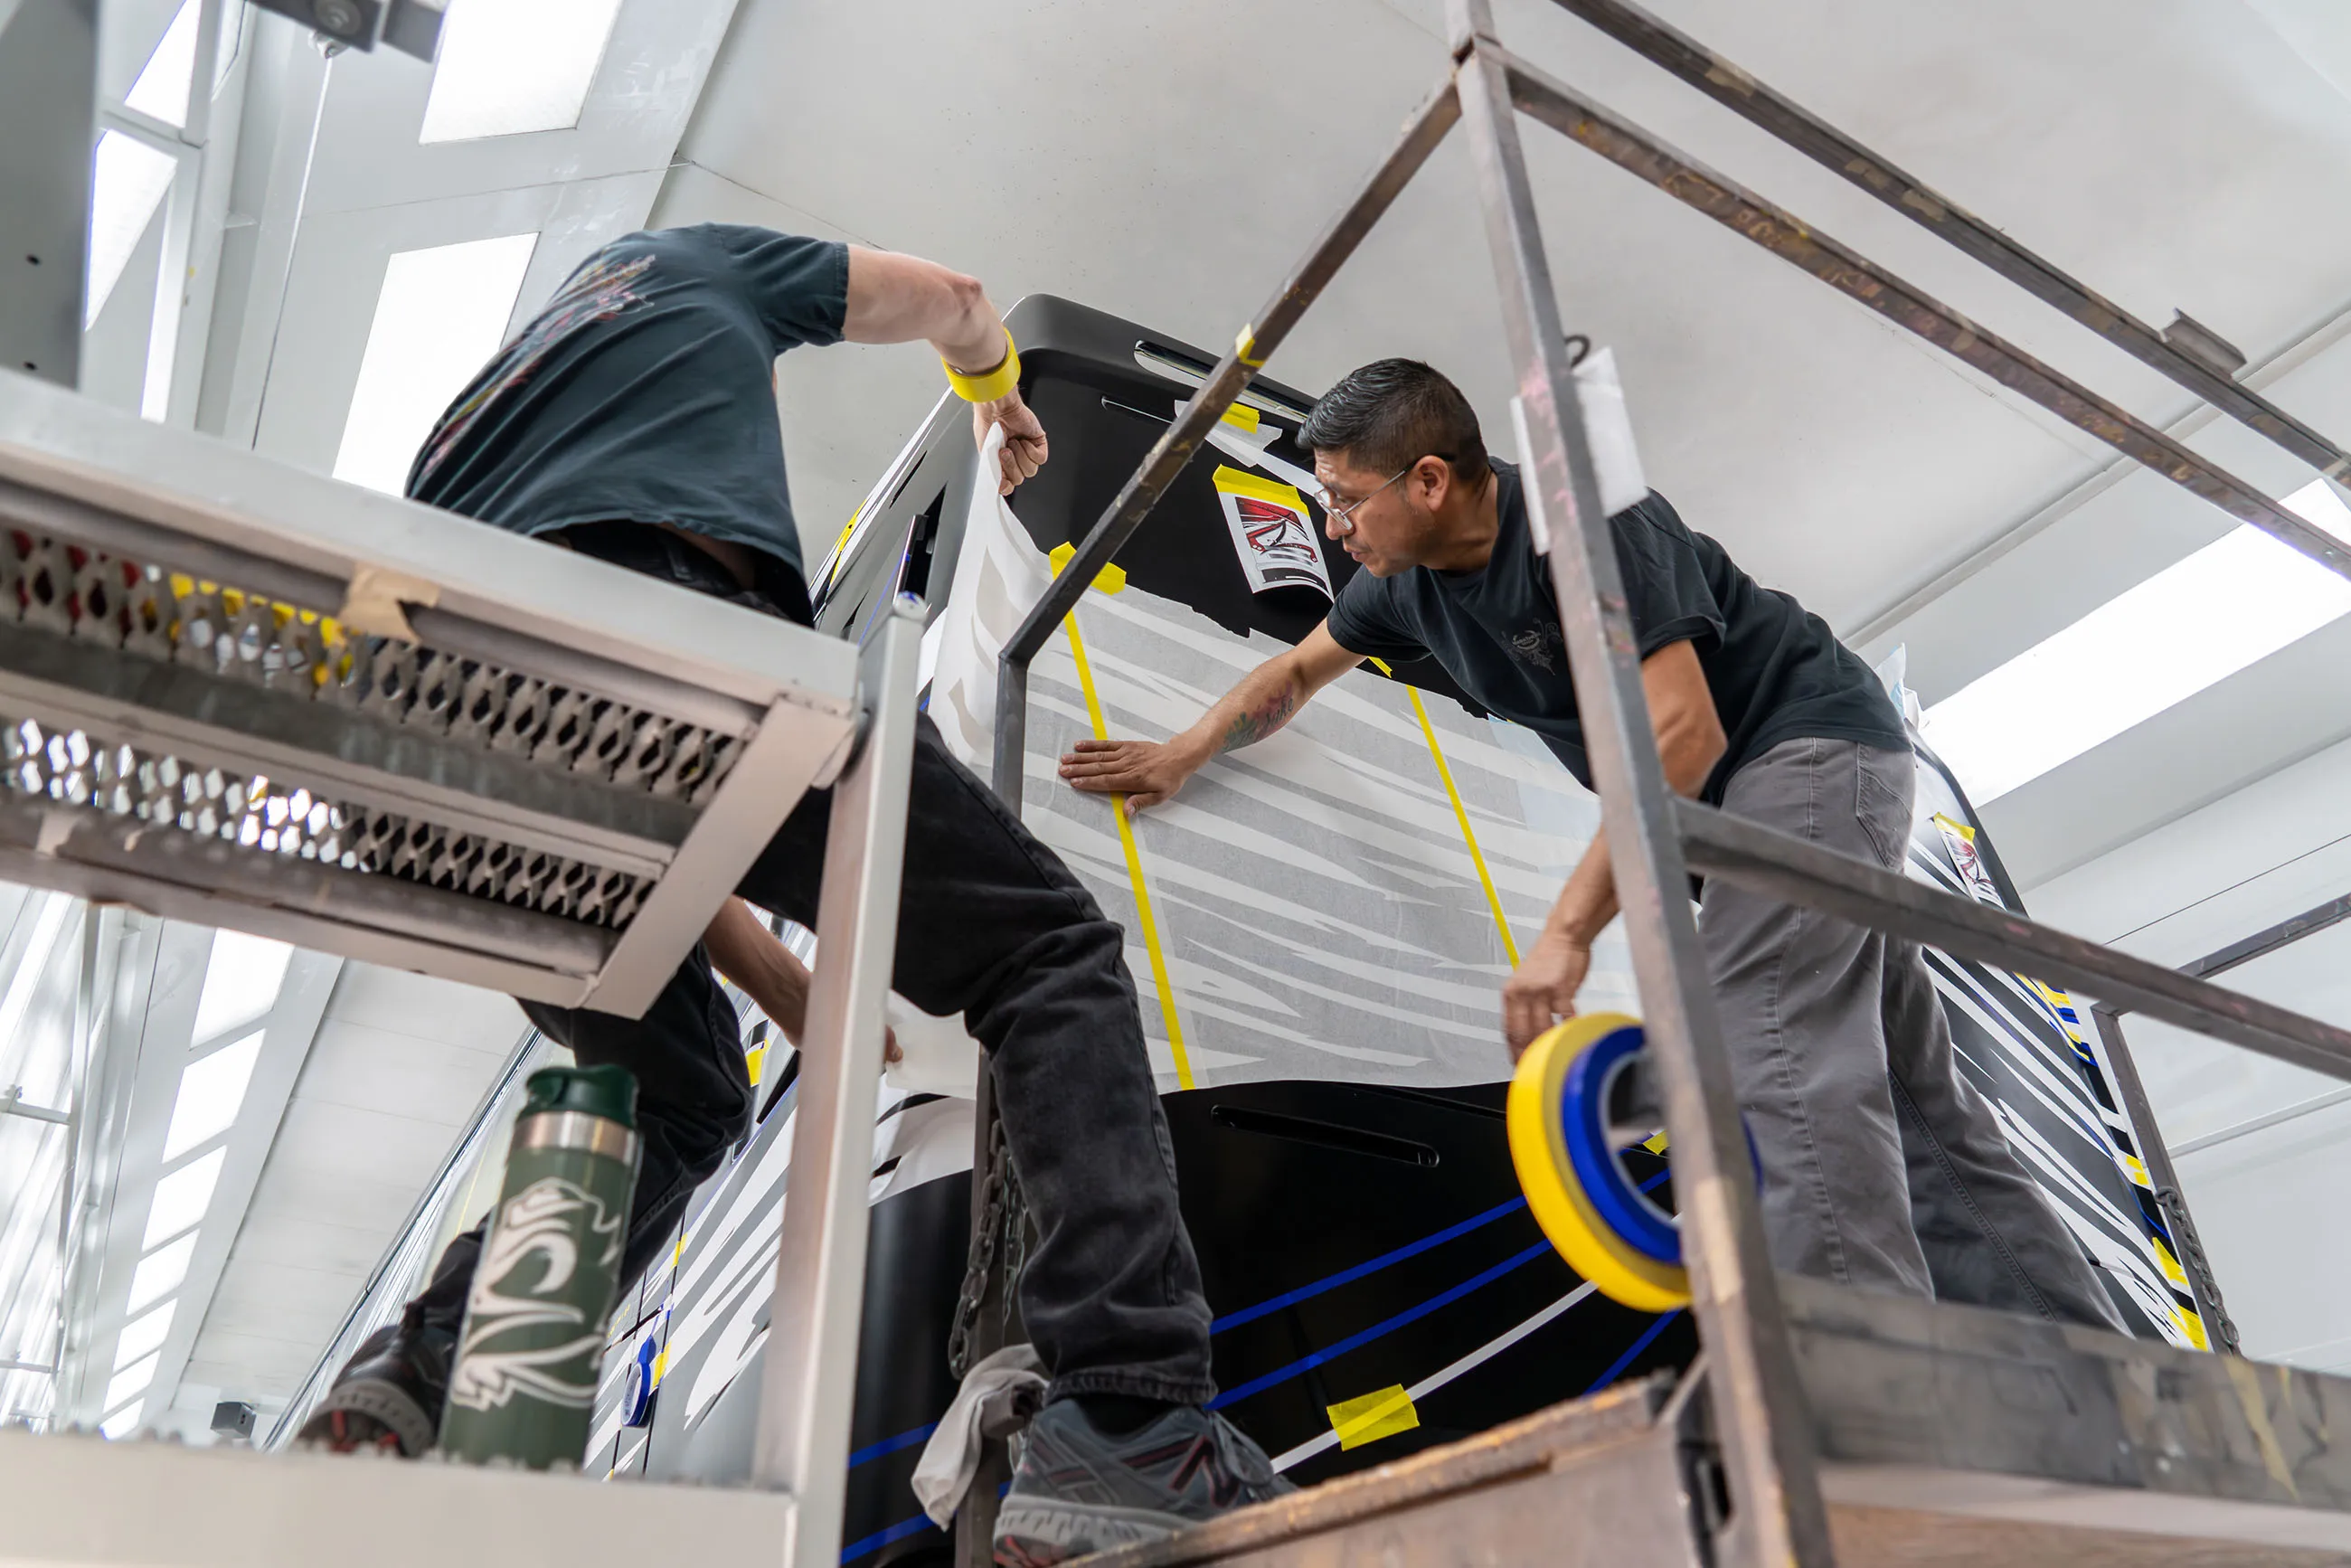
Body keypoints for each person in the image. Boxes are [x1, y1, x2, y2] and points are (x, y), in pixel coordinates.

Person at [296, 225, 1288, 1563]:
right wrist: (996, 400)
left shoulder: (465, 433)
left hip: (437, 761)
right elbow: (957, 299)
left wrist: (791, 984)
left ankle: (413, 1377)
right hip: (671, 642)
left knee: (679, 1094)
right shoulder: (698, 265)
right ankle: (1134, 1413)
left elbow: (630, 793)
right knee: (1046, 957)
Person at [1060, 357, 2122, 1327]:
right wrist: (1185, 751)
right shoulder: (1402, 590)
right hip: (1744, 819)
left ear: (1427, 481)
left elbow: (1680, 737)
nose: (1334, 524)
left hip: (1807, 754)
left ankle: (1872, 1376)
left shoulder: (1591, 529)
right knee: (1912, 1103)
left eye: (1345, 500)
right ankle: (2095, 1375)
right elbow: (1287, 674)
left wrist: (1565, 934)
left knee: (1771, 1043)